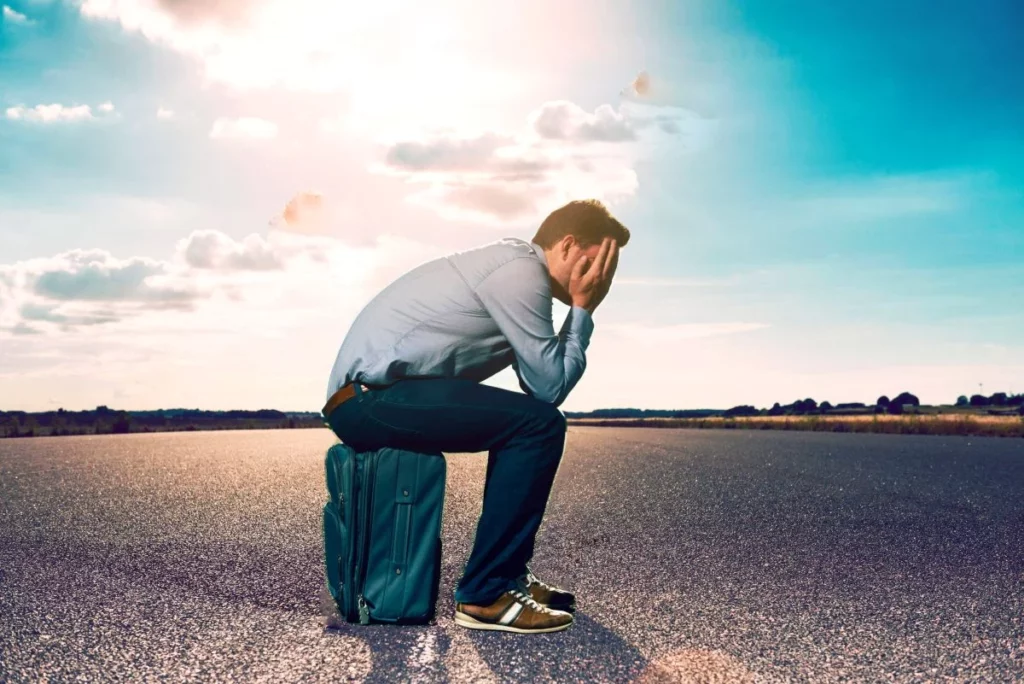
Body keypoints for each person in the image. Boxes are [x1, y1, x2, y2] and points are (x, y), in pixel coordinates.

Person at [321, 199, 626, 634]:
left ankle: (506, 577)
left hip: (376, 396)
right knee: (538, 426)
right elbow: (550, 389)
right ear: (569, 245)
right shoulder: (521, 272)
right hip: (369, 400)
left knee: (532, 421)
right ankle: (486, 594)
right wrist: (583, 310)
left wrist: (576, 312)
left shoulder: (516, 271)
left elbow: (539, 380)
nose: (602, 277)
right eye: (599, 263)